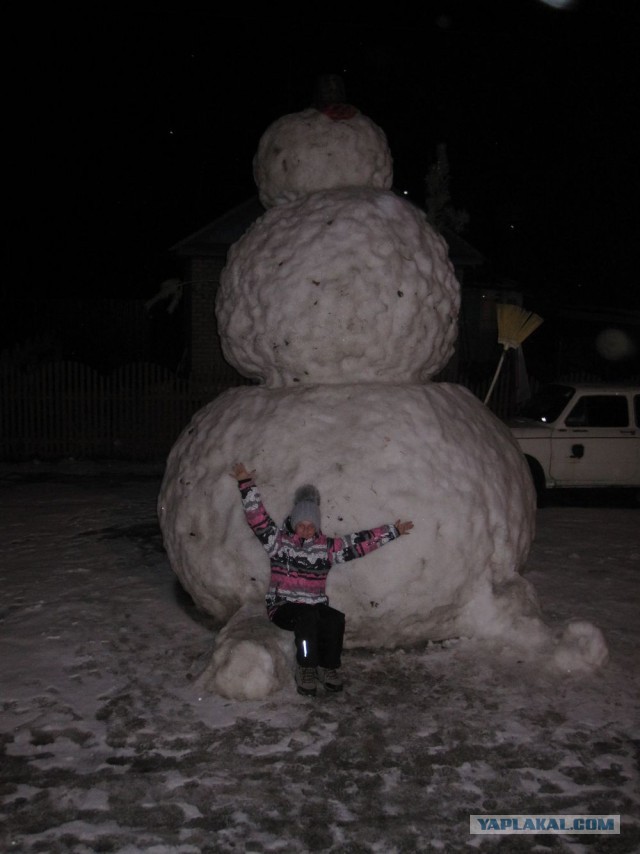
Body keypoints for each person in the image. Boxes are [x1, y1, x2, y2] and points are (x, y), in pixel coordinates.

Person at [231, 463, 414, 696]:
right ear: (294, 523)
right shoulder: (278, 544)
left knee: (334, 619)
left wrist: (392, 531)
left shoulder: (326, 548)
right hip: (283, 607)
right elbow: (257, 518)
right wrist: (246, 484)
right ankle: (306, 667)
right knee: (306, 617)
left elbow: (358, 543)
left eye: (311, 525)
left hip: (314, 606)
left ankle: (328, 667)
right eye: (302, 524)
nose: (306, 529)